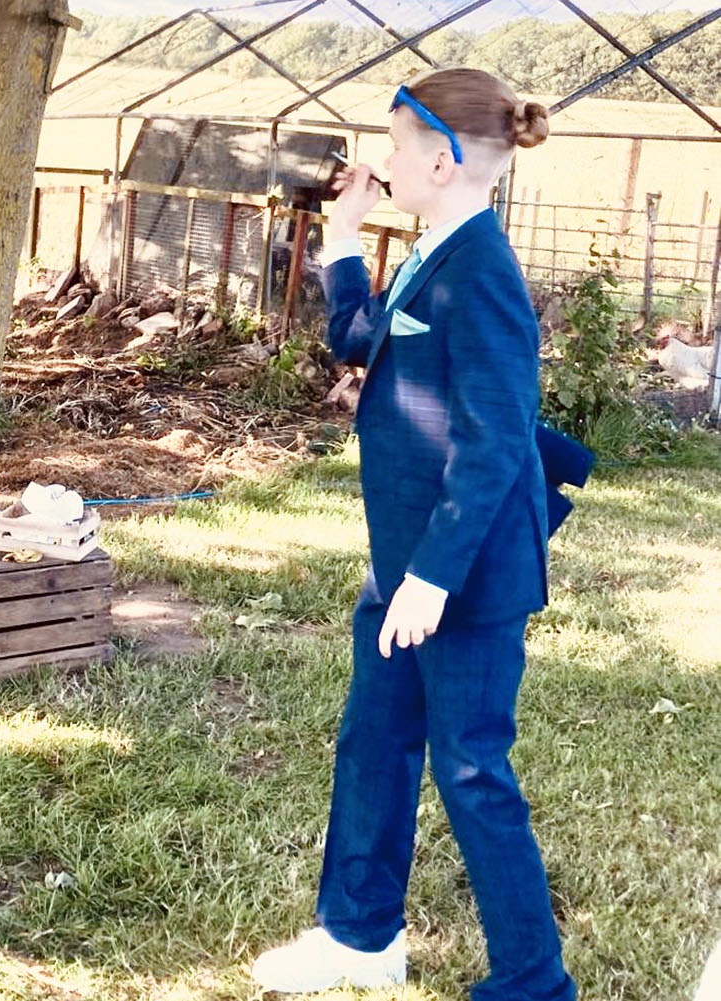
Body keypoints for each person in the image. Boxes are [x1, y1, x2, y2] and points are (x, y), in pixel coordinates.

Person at [250, 67, 578, 1001]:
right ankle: (360, 939)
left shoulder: (484, 274)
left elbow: (495, 439)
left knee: (472, 769)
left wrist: (432, 578)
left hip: (460, 577)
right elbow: (363, 340)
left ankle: (534, 982)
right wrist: (344, 241)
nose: (382, 159)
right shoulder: (437, 246)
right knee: (374, 739)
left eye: (394, 145)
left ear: (440, 158)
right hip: (403, 562)